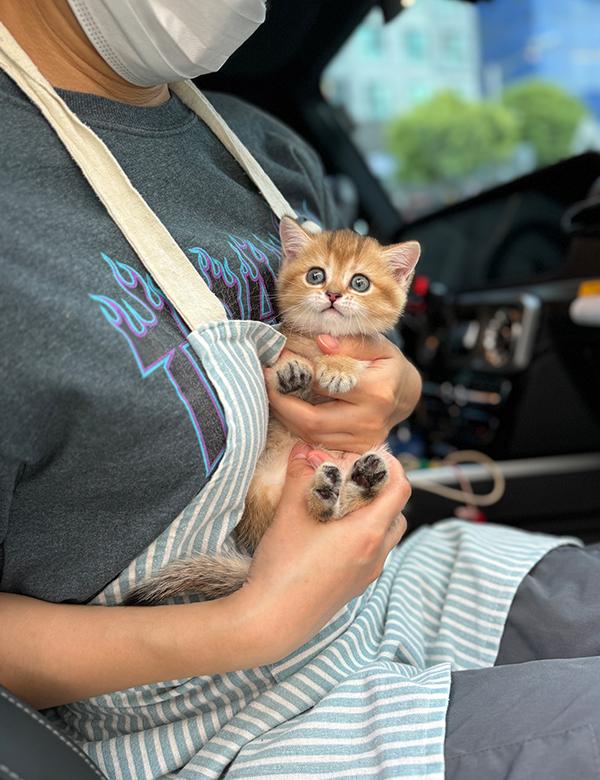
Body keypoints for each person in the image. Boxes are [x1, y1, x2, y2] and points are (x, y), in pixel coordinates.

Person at [1, 2, 599, 779]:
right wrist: (250, 624)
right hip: (201, 710)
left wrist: (397, 385)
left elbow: (356, 338)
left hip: (388, 591)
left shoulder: (264, 146)